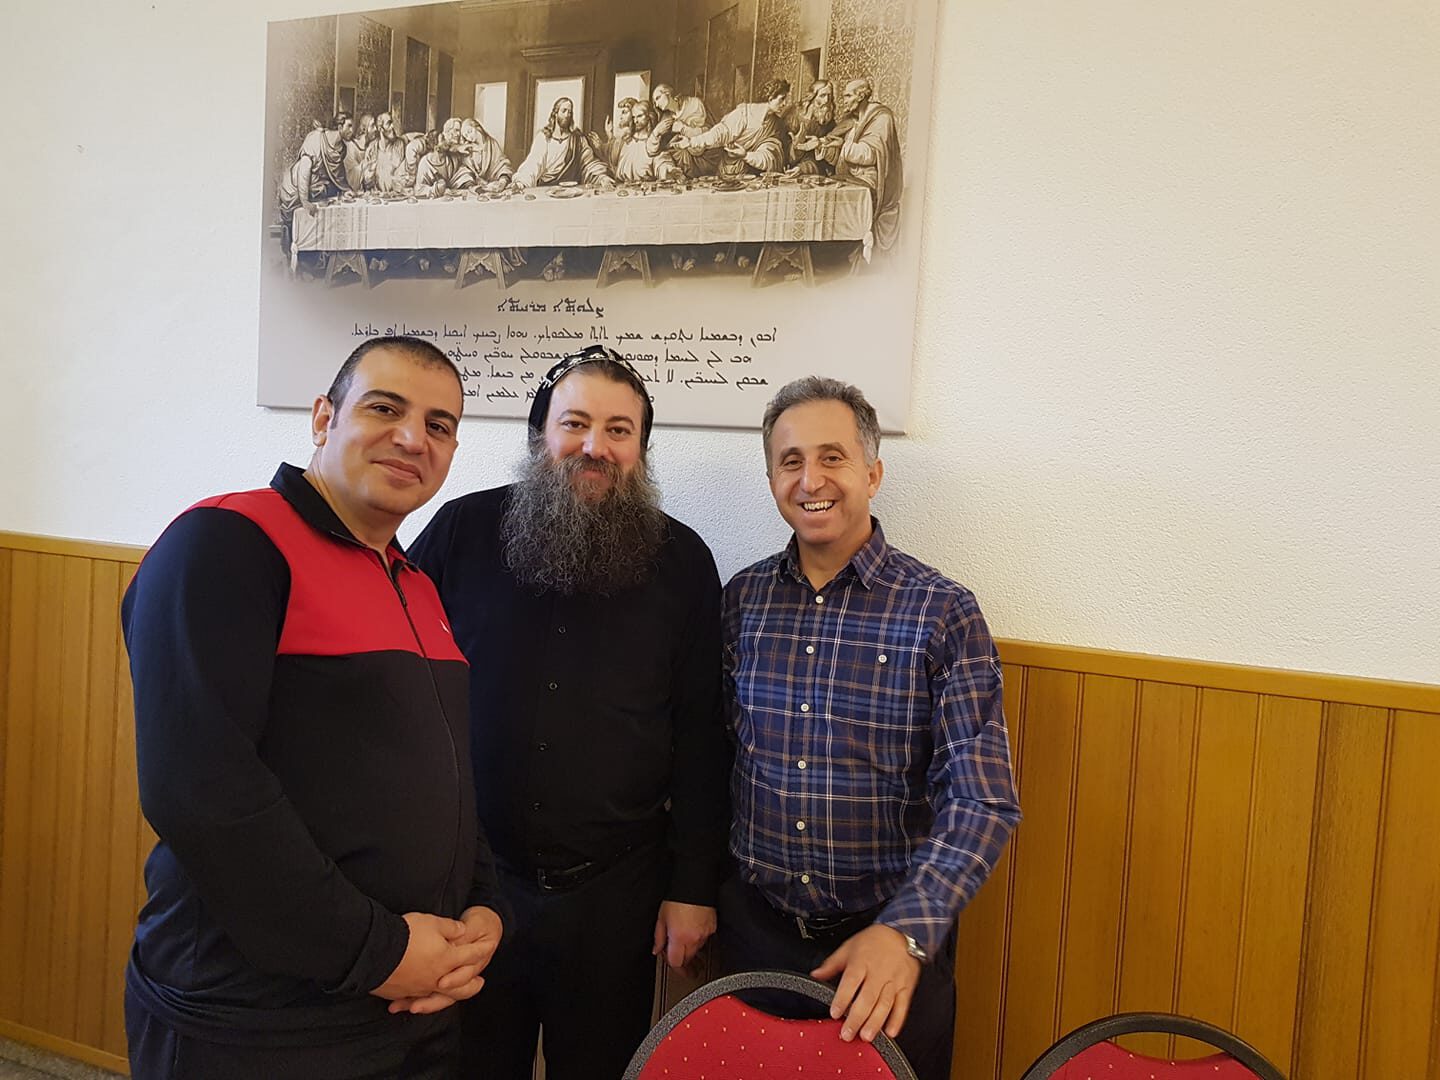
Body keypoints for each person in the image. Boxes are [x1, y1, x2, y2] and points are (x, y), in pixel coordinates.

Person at [120, 337, 504, 1079]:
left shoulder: (418, 583)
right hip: (256, 1022)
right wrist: (377, 952)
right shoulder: (227, 542)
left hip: (408, 1007)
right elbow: (198, 790)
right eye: (385, 409)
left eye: (439, 425)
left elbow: (451, 775)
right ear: (324, 418)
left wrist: (483, 910)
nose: (412, 438)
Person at [409, 346, 730, 1080]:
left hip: (615, 895)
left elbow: (701, 734)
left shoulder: (683, 561)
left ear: (640, 449)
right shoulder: (460, 531)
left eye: (619, 430)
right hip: (472, 885)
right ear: (540, 435)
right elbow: (396, 685)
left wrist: (691, 887)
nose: (596, 446)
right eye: (576, 423)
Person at [719, 377, 1020, 1080]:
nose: (811, 480)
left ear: (873, 474)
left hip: (889, 945)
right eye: (791, 461)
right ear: (771, 478)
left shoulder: (942, 611)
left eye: (833, 457)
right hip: (755, 937)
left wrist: (906, 932)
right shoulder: (742, 600)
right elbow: (719, 756)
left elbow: (983, 798)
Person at [822, 78, 903, 254]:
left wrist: (843, 145)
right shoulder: (851, 120)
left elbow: (870, 155)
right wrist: (824, 146)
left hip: (870, 181)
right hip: (849, 177)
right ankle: (833, 254)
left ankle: (849, 253)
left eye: (848, 96)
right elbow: (839, 158)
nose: (844, 100)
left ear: (860, 96)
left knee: (837, 202)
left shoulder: (881, 118)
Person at [672, 79, 790, 177]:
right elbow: (718, 135)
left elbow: (769, 153)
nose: (785, 103)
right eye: (782, 99)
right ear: (770, 98)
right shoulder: (744, 114)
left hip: (751, 174)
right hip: (729, 171)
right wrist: (691, 142)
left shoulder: (774, 124)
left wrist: (746, 155)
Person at [276, 112, 353, 253]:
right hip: (296, 186)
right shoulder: (316, 139)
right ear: (339, 127)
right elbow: (304, 168)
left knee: (328, 192)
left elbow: (338, 174)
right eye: (349, 126)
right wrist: (304, 201)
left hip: (315, 185)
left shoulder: (341, 148)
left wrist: (346, 190)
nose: (352, 130)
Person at [512, 97, 615, 189]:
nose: (567, 115)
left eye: (570, 112)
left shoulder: (578, 139)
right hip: (546, 190)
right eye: (564, 111)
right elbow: (533, 164)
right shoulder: (544, 138)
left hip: (573, 190)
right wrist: (521, 183)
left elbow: (589, 164)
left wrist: (602, 177)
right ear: (555, 113)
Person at [458, 117, 514, 191]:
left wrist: (502, 182)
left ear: (477, 127)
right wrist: (473, 184)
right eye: (466, 136)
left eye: (469, 131)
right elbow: (464, 170)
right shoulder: (468, 149)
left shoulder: (492, 144)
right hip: (476, 188)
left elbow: (502, 164)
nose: (469, 137)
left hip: (494, 186)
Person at [363, 111, 409, 192]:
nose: (392, 126)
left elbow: (405, 175)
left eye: (392, 123)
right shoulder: (372, 148)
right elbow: (366, 181)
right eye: (389, 123)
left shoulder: (400, 145)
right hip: (376, 195)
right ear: (380, 128)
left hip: (397, 195)